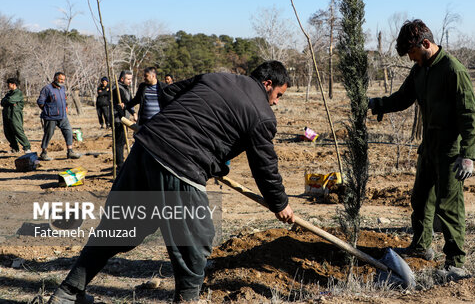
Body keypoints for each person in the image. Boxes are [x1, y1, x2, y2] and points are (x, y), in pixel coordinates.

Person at [47, 61, 294, 304]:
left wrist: (182, 130)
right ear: (267, 83)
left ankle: (67, 293)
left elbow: (167, 93)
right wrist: (280, 203)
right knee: (194, 242)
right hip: (181, 164)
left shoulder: (217, 77)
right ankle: (187, 301)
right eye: (278, 95)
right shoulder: (262, 115)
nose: (275, 102)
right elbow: (265, 166)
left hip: (145, 149)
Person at [367, 19, 475, 280]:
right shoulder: (420, 70)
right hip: (427, 148)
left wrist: (468, 155)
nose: (412, 60)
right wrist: (377, 104)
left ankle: (455, 261)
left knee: (449, 206)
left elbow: (470, 115)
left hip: (451, 152)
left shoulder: (454, 71)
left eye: (413, 54)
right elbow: (403, 97)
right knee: (420, 200)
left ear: (426, 44)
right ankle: (420, 246)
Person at [37, 72, 81, 161]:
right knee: (48, 134)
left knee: (68, 131)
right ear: (55, 78)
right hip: (50, 117)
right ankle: (44, 153)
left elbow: (64, 100)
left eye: (63, 80)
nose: (62, 81)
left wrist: (65, 108)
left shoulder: (62, 88)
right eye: (61, 79)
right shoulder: (47, 89)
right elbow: (40, 102)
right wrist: (48, 111)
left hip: (62, 116)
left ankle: (70, 151)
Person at [112, 70, 136, 168]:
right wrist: (133, 112)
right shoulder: (117, 89)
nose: (130, 81)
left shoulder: (126, 88)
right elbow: (124, 102)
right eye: (128, 79)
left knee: (122, 141)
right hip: (119, 119)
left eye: (131, 79)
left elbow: (128, 103)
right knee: (120, 142)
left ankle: (122, 162)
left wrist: (133, 113)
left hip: (125, 119)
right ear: (122, 79)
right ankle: (120, 164)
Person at [1, 78, 31, 154]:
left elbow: (10, 100)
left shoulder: (18, 93)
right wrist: (8, 101)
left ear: (13, 84)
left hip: (15, 116)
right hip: (7, 115)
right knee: (8, 132)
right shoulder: (9, 93)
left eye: (9, 84)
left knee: (18, 131)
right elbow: (2, 102)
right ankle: (14, 148)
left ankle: (27, 147)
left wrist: (8, 101)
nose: (8, 85)